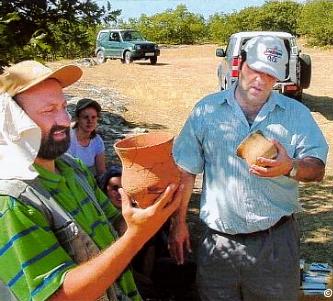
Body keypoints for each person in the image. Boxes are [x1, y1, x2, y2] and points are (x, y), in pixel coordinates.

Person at [0, 60, 181, 301]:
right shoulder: (12, 200)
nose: (65, 120)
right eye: (48, 110)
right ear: (13, 122)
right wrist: (136, 236)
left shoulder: (72, 168)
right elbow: (57, 297)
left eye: (64, 107)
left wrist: (151, 210)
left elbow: (117, 222)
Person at [169, 36, 328, 301]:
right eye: (256, 69)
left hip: (275, 244)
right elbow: (186, 171)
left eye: (270, 74)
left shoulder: (296, 114)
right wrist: (179, 223)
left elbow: (317, 169)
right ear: (239, 64)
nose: (261, 80)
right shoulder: (206, 111)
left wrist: (290, 167)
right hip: (218, 246)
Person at [100, 165, 197, 301]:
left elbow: (151, 247)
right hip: (118, 274)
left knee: (188, 269)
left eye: (124, 189)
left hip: (147, 268)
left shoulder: (142, 213)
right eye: (114, 188)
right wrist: (136, 278)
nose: (120, 193)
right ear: (105, 190)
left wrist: (146, 276)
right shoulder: (100, 218)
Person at [68, 98, 106, 178]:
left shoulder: (97, 141)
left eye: (93, 117)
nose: (90, 121)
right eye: (85, 117)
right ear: (77, 119)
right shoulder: (67, 138)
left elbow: (101, 171)